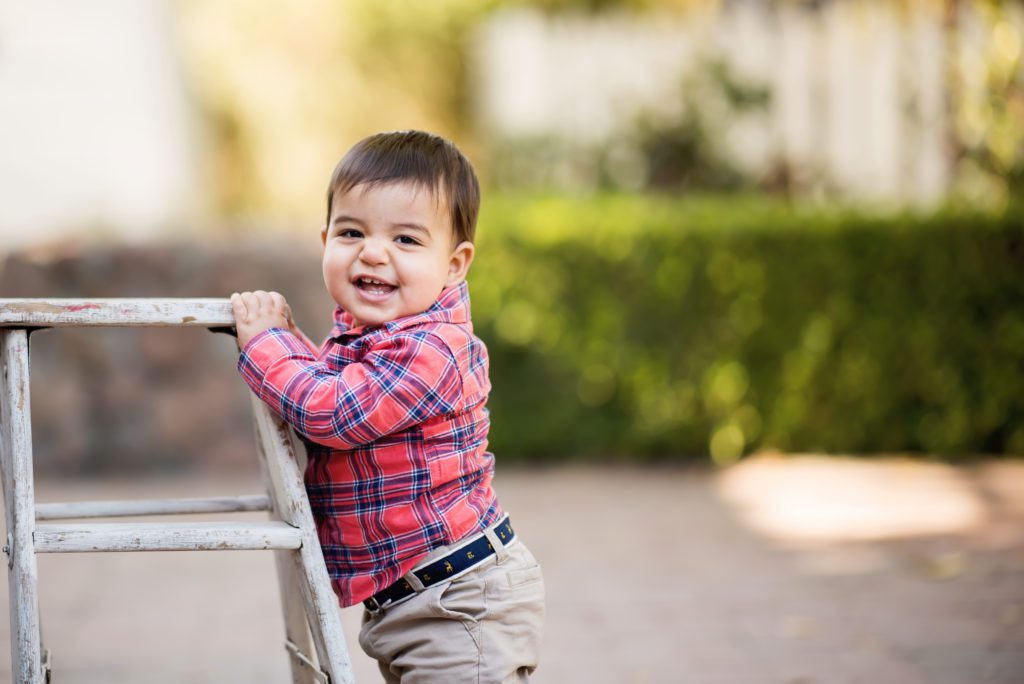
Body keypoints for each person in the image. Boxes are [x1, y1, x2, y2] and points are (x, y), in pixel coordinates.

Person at [229, 130, 544, 683]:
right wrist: (289, 340)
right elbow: (330, 387)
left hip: (460, 602)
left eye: (406, 239)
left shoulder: (434, 350)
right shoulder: (367, 342)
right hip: (415, 599)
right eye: (352, 232)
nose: (373, 251)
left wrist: (264, 344)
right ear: (325, 240)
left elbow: (333, 414)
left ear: (454, 264)